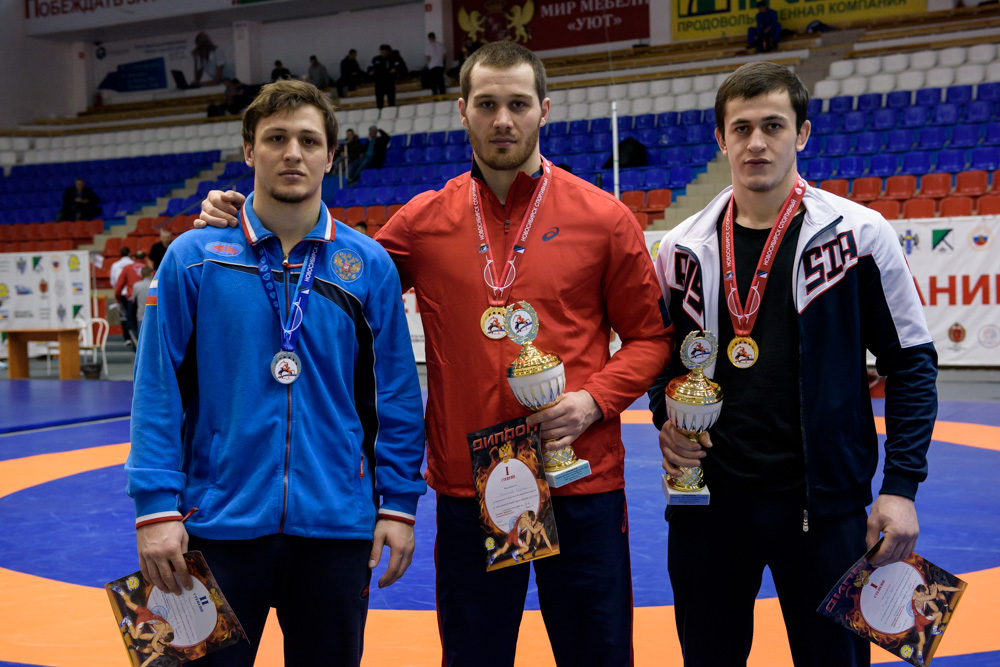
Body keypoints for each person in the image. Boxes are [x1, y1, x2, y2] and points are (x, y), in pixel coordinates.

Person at [197, 41, 672, 667]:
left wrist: (594, 401)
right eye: (487, 104)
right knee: (473, 655)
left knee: (599, 652)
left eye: (518, 104)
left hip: (578, 478)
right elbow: (328, 267)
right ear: (462, 110)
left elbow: (651, 339)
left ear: (544, 111)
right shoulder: (422, 221)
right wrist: (243, 223)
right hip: (467, 486)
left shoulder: (605, 219)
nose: (503, 119)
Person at [126, 79, 426, 667]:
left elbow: (394, 392)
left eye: (309, 140)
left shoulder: (367, 266)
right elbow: (156, 387)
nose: (293, 152)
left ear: (331, 156)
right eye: (277, 138)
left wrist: (398, 504)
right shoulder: (195, 257)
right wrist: (155, 508)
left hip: (338, 527)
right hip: (212, 525)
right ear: (248, 149)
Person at [647, 61, 938, 666]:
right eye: (742, 127)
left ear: (801, 134)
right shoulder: (681, 248)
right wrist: (665, 420)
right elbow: (662, 359)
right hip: (706, 504)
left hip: (824, 510)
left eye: (773, 125)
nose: (757, 142)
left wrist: (901, 488)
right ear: (720, 139)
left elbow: (910, 363)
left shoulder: (858, 237)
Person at [114, 250, 147, 347]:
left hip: (131, 300)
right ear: (144, 258)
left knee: (132, 324)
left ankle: (137, 345)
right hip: (146, 299)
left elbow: (119, 286)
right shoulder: (148, 269)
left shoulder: (127, 268)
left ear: (134, 257)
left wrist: (118, 298)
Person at [368, 44, 402, 109]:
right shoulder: (376, 59)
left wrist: (394, 70)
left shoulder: (392, 58)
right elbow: (370, 67)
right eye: (382, 51)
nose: (383, 52)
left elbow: (398, 67)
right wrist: (371, 72)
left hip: (389, 82)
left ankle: (391, 111)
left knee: (391, 100)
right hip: (379, 82)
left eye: (384, 51)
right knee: (379, 100)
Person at [132, 266, 153, 332]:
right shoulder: (156, 284)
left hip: (141, 315)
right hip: (154, 315)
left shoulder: (136, 285)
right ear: (151, 274)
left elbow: (133, 301)